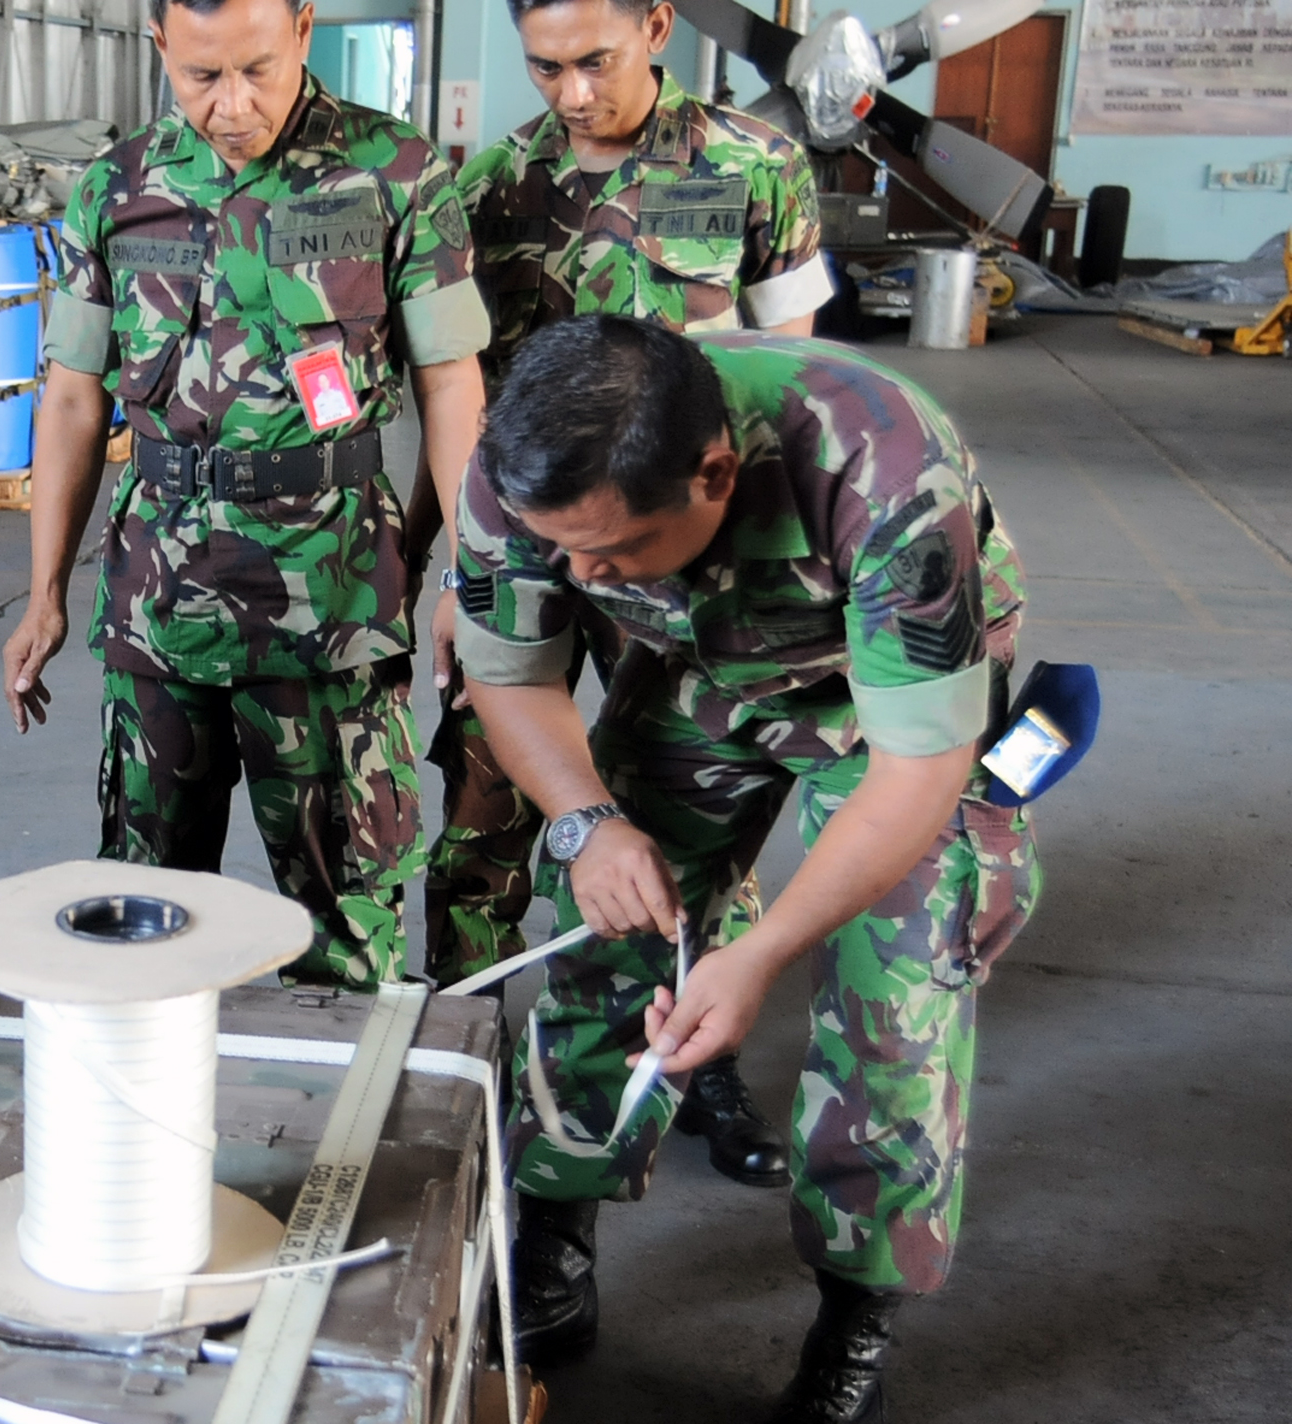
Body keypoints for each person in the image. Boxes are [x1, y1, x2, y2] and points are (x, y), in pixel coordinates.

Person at [453, 316, 1037, 1420]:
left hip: (884, 705)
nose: (576, 575)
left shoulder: (885, 473)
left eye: (610, 551)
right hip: (696, 668)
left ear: (714, 474)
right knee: (610, 937)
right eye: (555, 546)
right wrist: (588, 821)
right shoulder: (519, 467)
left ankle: (856, 1314)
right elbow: (512, 671)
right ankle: (554, 1239)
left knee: (894, 1001)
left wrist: (758, 950)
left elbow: (915, 768)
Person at [411, 0, 833, 1189]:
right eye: (542, 67)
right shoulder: (490, 183)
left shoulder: (753, 165)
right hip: (533, 551)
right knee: (489, 802)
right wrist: (455, 568)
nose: (570, 93)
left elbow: (793, 380)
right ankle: (465, 1045)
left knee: (696, 821)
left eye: (592, 61)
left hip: (693, 563)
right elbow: (460, 395)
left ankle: (699, 1056)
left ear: (654, 24)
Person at [0, 0, 491, 985]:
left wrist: (469, 580)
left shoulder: (394, 171)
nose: (232, 106)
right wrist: (43, 590)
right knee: (141, 918)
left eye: (258, 70)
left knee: (345, 923)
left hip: (333, 604)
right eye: (201, 77)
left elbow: (451, 384)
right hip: (159, 603)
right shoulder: (115, 186)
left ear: (304, 28)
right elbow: (72, 398)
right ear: (159, 47)